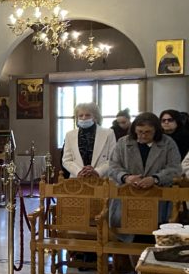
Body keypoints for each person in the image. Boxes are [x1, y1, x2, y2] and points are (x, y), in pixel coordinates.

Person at [107, 112, 183, 244]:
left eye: (148, 132)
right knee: (131, 238)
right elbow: (113, 167)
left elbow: (175, 168)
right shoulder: (123, 143)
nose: (143, 135)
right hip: (128, 199)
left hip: (158, 200)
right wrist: (126, 177)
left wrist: (155, 179)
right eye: (139, 132)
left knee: (155, 238)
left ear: (156, 131)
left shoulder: (167, 143)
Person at [61, 102, 116, 178]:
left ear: (95, 117)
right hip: (78, 178)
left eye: (87, 115)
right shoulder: (69, 135)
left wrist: (97, 171)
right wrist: (79, 172)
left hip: (101, 178)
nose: (84, 118)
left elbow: (113, 159)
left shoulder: (109, 133)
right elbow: (66, 160)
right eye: (80, 115)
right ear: (77, 118)